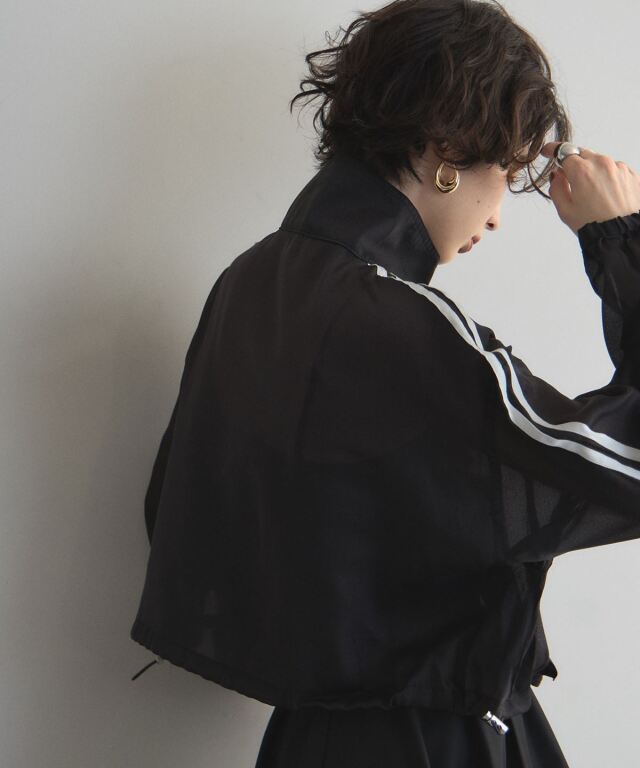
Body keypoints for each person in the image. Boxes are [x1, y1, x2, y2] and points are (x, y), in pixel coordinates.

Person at [129, 1, 640, 765]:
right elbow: (620, 470)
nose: (498, 214)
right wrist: (619, 240)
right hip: (430, 740)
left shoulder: (250, 283)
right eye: (505, 171)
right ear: (446, 149)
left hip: (308, 739)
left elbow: (182, 501)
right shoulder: (396, 324)